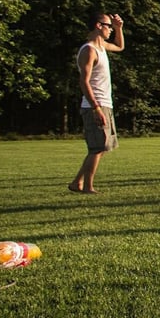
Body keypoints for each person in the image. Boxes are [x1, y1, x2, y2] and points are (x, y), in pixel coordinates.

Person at [68, 12, 125, 194]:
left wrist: (118, 28)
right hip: (96, 105)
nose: (110, 29)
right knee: (97, 147)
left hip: (104, 103)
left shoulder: (102, 47)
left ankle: (77, 182)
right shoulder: (89, 50)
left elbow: (120, 46)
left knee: (102, 147)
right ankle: (87, 186)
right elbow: (84, 82)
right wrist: (96, 108)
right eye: (108, 26)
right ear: (98, 26)